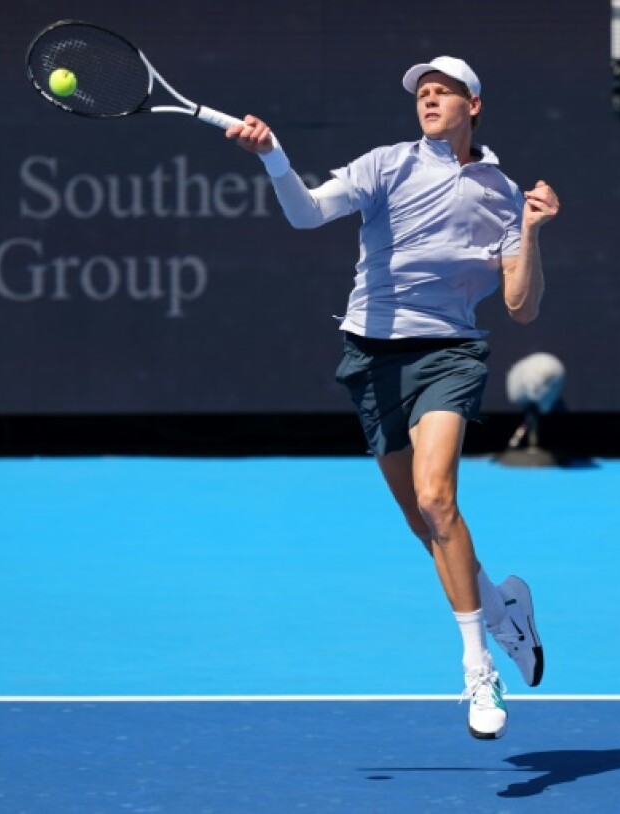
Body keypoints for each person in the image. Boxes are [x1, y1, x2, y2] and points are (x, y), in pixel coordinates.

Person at [227, 56, 559, 740]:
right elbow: (307, 214)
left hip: (448, 352)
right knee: (423, 524)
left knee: (439, 499)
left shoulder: (502, 190)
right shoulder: (387, 164)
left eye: (442, 92)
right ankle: (502, 611)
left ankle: (478, 673)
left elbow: (521, 308)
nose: (428, 101)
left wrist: (528, 232)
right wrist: (274, 157)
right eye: (422, 94)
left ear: (474, 104)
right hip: (371, 355)